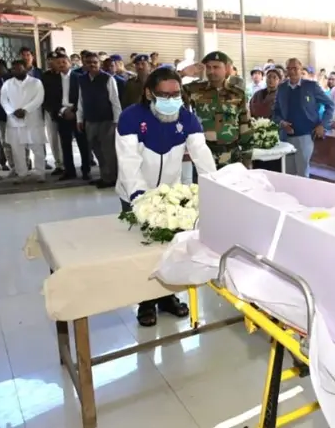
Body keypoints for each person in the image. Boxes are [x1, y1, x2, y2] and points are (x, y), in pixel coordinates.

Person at [116, 67, 216, 326]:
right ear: (149, 93)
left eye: (176, 94)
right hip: (135, 193)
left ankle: (167, 297)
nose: (172, 100)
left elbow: (202, 155)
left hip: (171, 196)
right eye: (165, 95)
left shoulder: (187, 119)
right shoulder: (130, 118)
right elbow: (128, 162)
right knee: (143, 251)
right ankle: (145, 302)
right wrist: (141, 198)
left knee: (170, 249)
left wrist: (216, 188)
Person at [185, 51, 251, 170]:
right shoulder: (194, 89)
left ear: (226, 69)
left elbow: (245, 125)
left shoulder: (237, 93)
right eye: (208, 67)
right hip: (203, 155)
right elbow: (162, 89)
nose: (211, 71)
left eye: (216, 67)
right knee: (205, 183)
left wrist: (247, 158)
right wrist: (182, 73)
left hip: (231, 156)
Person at [272, 57, 333, 177]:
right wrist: (281, 123)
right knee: (287, 173)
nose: (292, 71)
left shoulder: (311, 86)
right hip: (285, 137)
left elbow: (330, 104)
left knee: (302, 172)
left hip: (305, 136)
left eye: (295, 68)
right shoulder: (282, 88)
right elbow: (275, 111)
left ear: (301, 69)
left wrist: (323, 125)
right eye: (289, 68)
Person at [77, 52, 122, 189]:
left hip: (107, 120)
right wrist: (79, 118)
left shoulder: (108, 79)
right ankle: (104, 176)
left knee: (108, 151)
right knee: (97, 150)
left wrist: (117, 120)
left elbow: (115, 101)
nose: (92, 65)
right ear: (84, 64)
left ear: (99, 63)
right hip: (90, 120)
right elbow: (80, 100)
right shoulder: (82, 79)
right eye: (88, 62)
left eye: (95, 62)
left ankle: (112, 178)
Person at [44, 53, 91, 181]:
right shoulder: (52, 80)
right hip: (61, 115)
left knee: (83, 144)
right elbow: (49, 99)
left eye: (64, 62)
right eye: (58, 63)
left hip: (78, 115)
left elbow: (84, 97)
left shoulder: (80, 78)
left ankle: (86, 170)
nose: (61, 65)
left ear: (70, 63)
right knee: (65, 144)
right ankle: (69, 171)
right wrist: (63, 110)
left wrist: (74, 110)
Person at [0, 60, 45, 183]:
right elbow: (3, 100)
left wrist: (25, 110)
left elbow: (39, 99)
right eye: (14, 69)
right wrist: (12, 112)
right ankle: (21, 174)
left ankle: (40, 173)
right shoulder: (7, 84)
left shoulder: (36, 82)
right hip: (14, 121)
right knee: (17, 150)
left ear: (25, 69)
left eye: (19, 68)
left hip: (32, 120)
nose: (16, 71)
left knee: (37, 147)